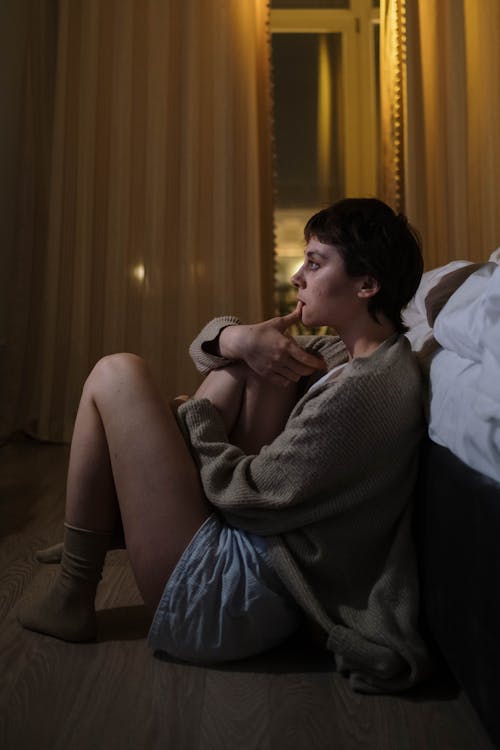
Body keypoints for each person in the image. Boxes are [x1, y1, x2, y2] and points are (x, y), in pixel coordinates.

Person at [19, 197, 431, 693]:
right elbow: (204, 348)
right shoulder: (342, 353)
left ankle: (74, 588)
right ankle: (103, 520)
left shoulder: (370, 390)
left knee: (117, 373)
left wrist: (191, 419)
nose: (298, 275)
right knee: (262, 361)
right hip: (253, 561)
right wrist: (238, 341)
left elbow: (250, 495)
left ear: (367, 285)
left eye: (315, 263)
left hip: (231, 599)